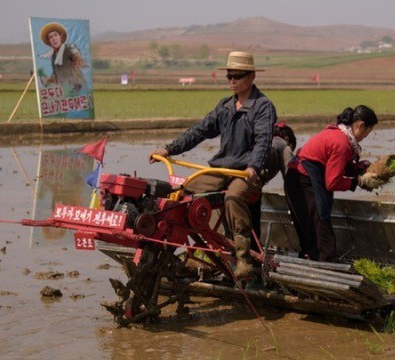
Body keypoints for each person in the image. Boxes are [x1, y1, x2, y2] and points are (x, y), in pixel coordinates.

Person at [149, 51, 277, 280]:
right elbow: (200, 130)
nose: (232, 80)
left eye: (237, 76)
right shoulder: (225, 106)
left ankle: (243, 257)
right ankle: (176, 246)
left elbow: (263, 140)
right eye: (229, 76)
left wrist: (254, 167)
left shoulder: (262, 106)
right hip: (221, 168)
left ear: (252, 76)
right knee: (184, 191)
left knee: (233, 197)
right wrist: (169, 149)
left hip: (246, 171)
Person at [284, 105, 383, 262]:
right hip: (303, 182)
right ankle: (326, 269)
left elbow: (336, 165)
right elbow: (333, 182)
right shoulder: (341, 143)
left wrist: (358, 169)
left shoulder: (337, 133)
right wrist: (358, 181)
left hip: (297, 179)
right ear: (360, 125)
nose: (366, 136)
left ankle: (313, 262)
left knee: (310, 231)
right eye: (368, 131)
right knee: (322, 234)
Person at [39, 22, 87, 93]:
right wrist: (47, 80)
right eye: (50, 37)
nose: (53, 38)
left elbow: (74, 52)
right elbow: (56, 74)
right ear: (49, 41)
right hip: (64, 90)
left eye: (55, 35)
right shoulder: (53, 56)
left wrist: (77, 58)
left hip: (77, 87)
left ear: (60, 37)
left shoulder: (69, 48)